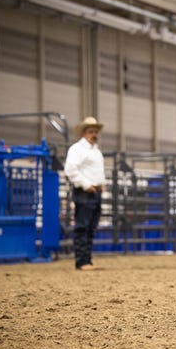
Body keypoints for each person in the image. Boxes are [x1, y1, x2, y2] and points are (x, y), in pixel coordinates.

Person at [64, 116, 106, 271]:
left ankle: (87, 260)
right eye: (91, 131)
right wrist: (86, 184)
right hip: (85, 192)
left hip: (95, 192)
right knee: (83, 227)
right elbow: (70, 169)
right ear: (84, 133)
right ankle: (81, 261)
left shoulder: (95, 151)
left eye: (95, 131)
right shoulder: (77, 149)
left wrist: (101, 184)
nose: (94, 134)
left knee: (91, 227)